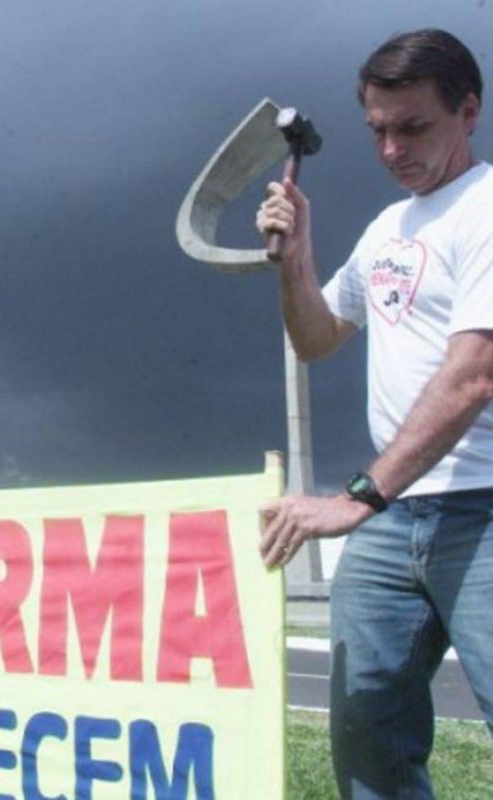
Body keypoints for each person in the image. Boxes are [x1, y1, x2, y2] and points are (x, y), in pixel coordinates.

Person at [255, 28, 493, 800]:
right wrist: (296, 261)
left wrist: (355, 498)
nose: (392, 149)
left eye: (413, 127)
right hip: (393, 524)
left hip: (480, 512)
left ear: (468, 111)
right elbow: (318, 337)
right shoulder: (387, 230)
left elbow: (473, 376)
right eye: (378, 130)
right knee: (368, 743)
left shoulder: (486, 210)